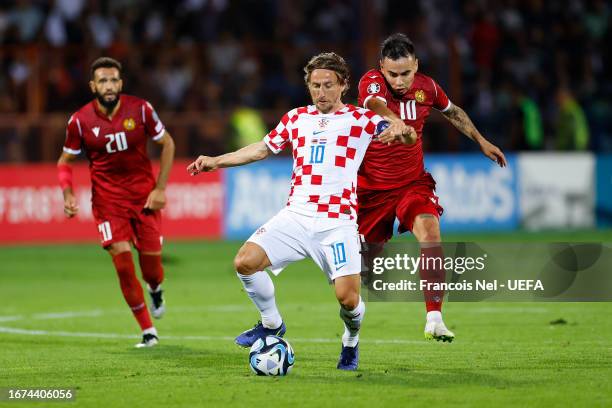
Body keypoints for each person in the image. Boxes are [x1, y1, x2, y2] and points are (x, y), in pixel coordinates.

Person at [188, 52, 407, 370]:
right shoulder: (296, 118)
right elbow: (262, 148)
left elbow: (405, 133)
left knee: (348, 299)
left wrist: (403, 129)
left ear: (343, 85)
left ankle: (350, 340)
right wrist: (216, 160)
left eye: (328, 85)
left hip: (338, 223)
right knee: (245, 262)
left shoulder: (361, 120)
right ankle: (272, 324)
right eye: (315, 85)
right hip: (296, 216)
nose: (321, 92)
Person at [357, 33, 507, 342]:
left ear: (416, 65)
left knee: (430, 232)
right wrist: (393, 119)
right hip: (371, 191)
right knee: (365, 266)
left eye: (406, 73)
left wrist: (481, 141)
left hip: (412, 183)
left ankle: (434, 317)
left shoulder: (428, 87)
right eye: (393, 74)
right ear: (382, 68)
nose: (399, 81)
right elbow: (373, 103)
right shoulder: (371, 82)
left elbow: (453, 111)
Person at [57, 57, 175, 348]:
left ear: (120, 83)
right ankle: (148, 331)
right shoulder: (80, 121)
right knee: (123, 265)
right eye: (102, 81)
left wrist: (160, 188)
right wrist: (68, 193)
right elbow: (65, 161)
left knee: (151, 268)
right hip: (108, 204)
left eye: (113, 80)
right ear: (93, 86)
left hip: (145, 199)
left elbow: (167, 143)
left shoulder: (142, 110)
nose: (108, 86)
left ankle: (155, 288)